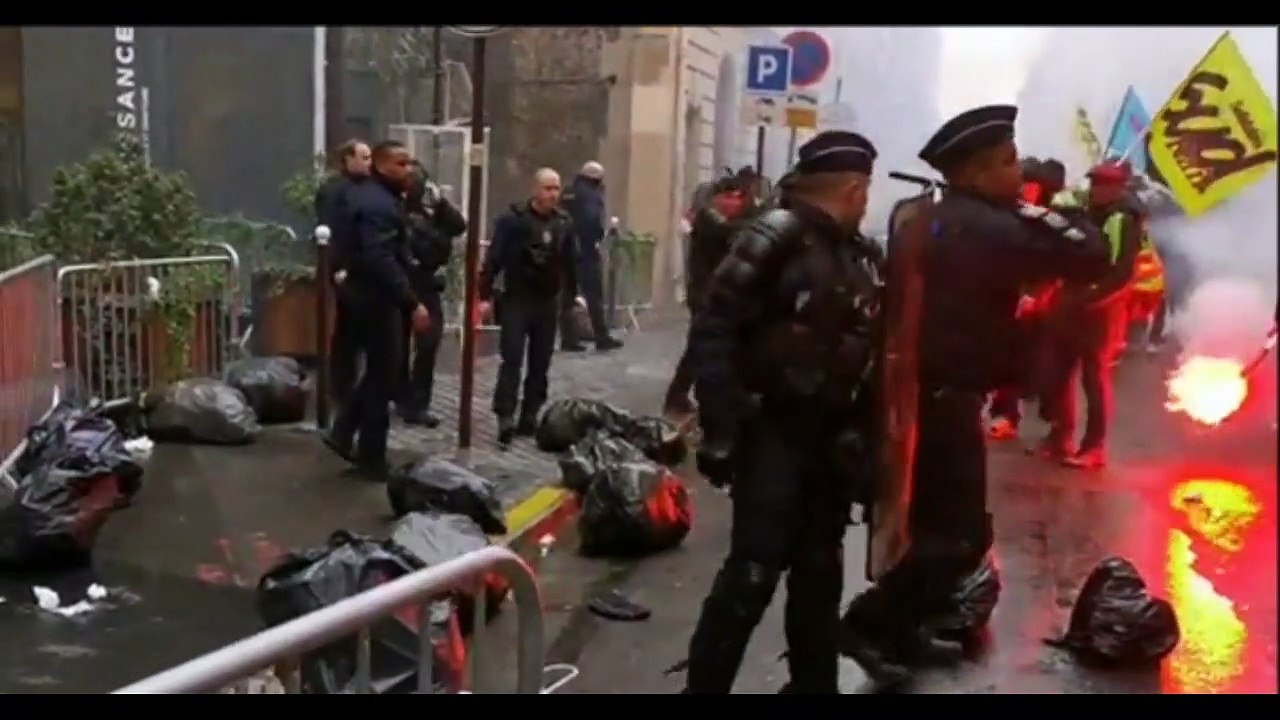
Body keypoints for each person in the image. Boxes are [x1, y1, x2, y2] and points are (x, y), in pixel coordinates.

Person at [839, 105, 1111, 688]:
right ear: (980, 171)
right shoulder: (991, 227)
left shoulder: (945, 217)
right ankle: (870, 624)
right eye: (1011, 163)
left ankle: (903, 628)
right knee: (959, 536)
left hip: (930, 394)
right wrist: (1036, 209)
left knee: (932, 524)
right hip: (945, 399)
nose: (1020, 174)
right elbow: (1092, 252)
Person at [682, 131, 885, 694]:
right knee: (751, 575)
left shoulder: (856, 255)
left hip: (830, 439)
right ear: (852, 188)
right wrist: (722, 425)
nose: (865, 202)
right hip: (773, 432)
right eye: (864, 191)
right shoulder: (774, 238)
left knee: (819, 575)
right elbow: (715, 326)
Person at [325, 140, 431, 474]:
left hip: (363, 294)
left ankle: (348, 435)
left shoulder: (373, 198)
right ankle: (366, 450)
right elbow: (379, 256)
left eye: (409, 164)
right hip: (375, 298)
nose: (408, 170)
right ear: (382, 166)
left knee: (378, 373)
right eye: (401, 164)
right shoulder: (378, 205)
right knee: (383, 374)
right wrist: (411, 302)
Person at [1039, 160, 1145, 469]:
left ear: (1119, 187)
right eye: (1095, 181)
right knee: (1058, 373)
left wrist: (1092, 298)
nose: (1097, 188)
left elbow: (1123, 271)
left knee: (1093, 377)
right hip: (1071, 299)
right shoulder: (1083, 210)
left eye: (1105, 183)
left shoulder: (1126, 219)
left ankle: (1093, 447)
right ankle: (1060, 437)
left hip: (1102, 307)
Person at [479, 168, 579, 446]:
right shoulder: (513, 221)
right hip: (517, 298)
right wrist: (484, 295)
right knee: (511, 358)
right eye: (547, 188)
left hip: (547, 300)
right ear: (535, 189)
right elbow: (494, 258)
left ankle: (529, 416)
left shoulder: (563, 222)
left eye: (556, 188)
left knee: (540, 362)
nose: (552, 194)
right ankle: (506, 415)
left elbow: (570, 263)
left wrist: (571, 298)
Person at [663, 169, 761, 420]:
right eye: (731, 196)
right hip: (704, 293)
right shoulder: (709, 218)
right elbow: (727, 232)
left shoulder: (720, 220)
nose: (735, 202)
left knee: (699, 345)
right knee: (699, 345)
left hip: (713, 292)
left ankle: (679, 394)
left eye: (739, 197)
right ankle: (677, 395)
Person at [988, 157, 1066, 439]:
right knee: (1009, 355)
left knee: (1048, 360)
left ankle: (1051, 414)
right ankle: (1005, 412)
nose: (1026, 190)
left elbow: (1058, 260)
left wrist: (1039, 294)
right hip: (1015, 293)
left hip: (1047, 299)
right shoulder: (1011, 211)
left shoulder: (1057, 216)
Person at [398, 162, 468, 427]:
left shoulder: (433, 212)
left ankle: (418, 402)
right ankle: (401, 396)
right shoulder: (396, 208)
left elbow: (459, 225)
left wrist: (440, 203)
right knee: (397, 344)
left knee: (429, 341)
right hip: (400, 280)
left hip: (426, 281)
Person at [314, 139, 372, 410]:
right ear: (347, 159)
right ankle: (341, 386)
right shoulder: (335, 191)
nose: (367, 162)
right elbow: (331, 229)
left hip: (361, 266)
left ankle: (348, 385)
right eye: (363, 157)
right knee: (348, 330)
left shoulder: (367, 189)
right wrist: (338, 267)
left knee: (355, 329)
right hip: (345, 268)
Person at [560, 161, 622, 352]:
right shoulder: (591, 195)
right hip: (586, 250)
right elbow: (592, 219)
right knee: (594, 295)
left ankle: (568, 339)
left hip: (565, 249)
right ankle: (601, 336)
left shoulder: (568, 192)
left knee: (567, 296)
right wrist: (598, 237)